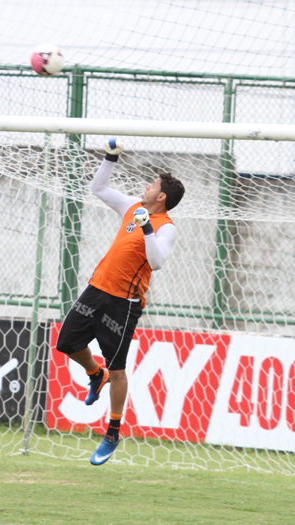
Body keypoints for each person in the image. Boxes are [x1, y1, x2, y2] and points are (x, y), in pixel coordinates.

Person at [55, 138, 185, 466]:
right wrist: (110, 158)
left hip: (123, 303)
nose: (147, 186)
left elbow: (157, 262)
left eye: (152, 184)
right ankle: (93, 374)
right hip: (96, 289)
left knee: (118, 369)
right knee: (66, 343)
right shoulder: (132, 207)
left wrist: (147, 229)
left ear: (161, 197)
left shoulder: (165, 227)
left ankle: (112, 432)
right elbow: (99, 188)